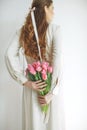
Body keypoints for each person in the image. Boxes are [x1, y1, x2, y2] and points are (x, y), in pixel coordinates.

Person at [5, 0, 64, 130]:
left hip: (33, 88)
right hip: (50, 89)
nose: (54, 12)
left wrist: (26, 82)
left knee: (34, 125)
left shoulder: (24, 31)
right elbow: (57, 62)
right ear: (45, 9)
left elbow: (8, 55)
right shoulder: (55, 30)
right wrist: (51, 93)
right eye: (52, 8)